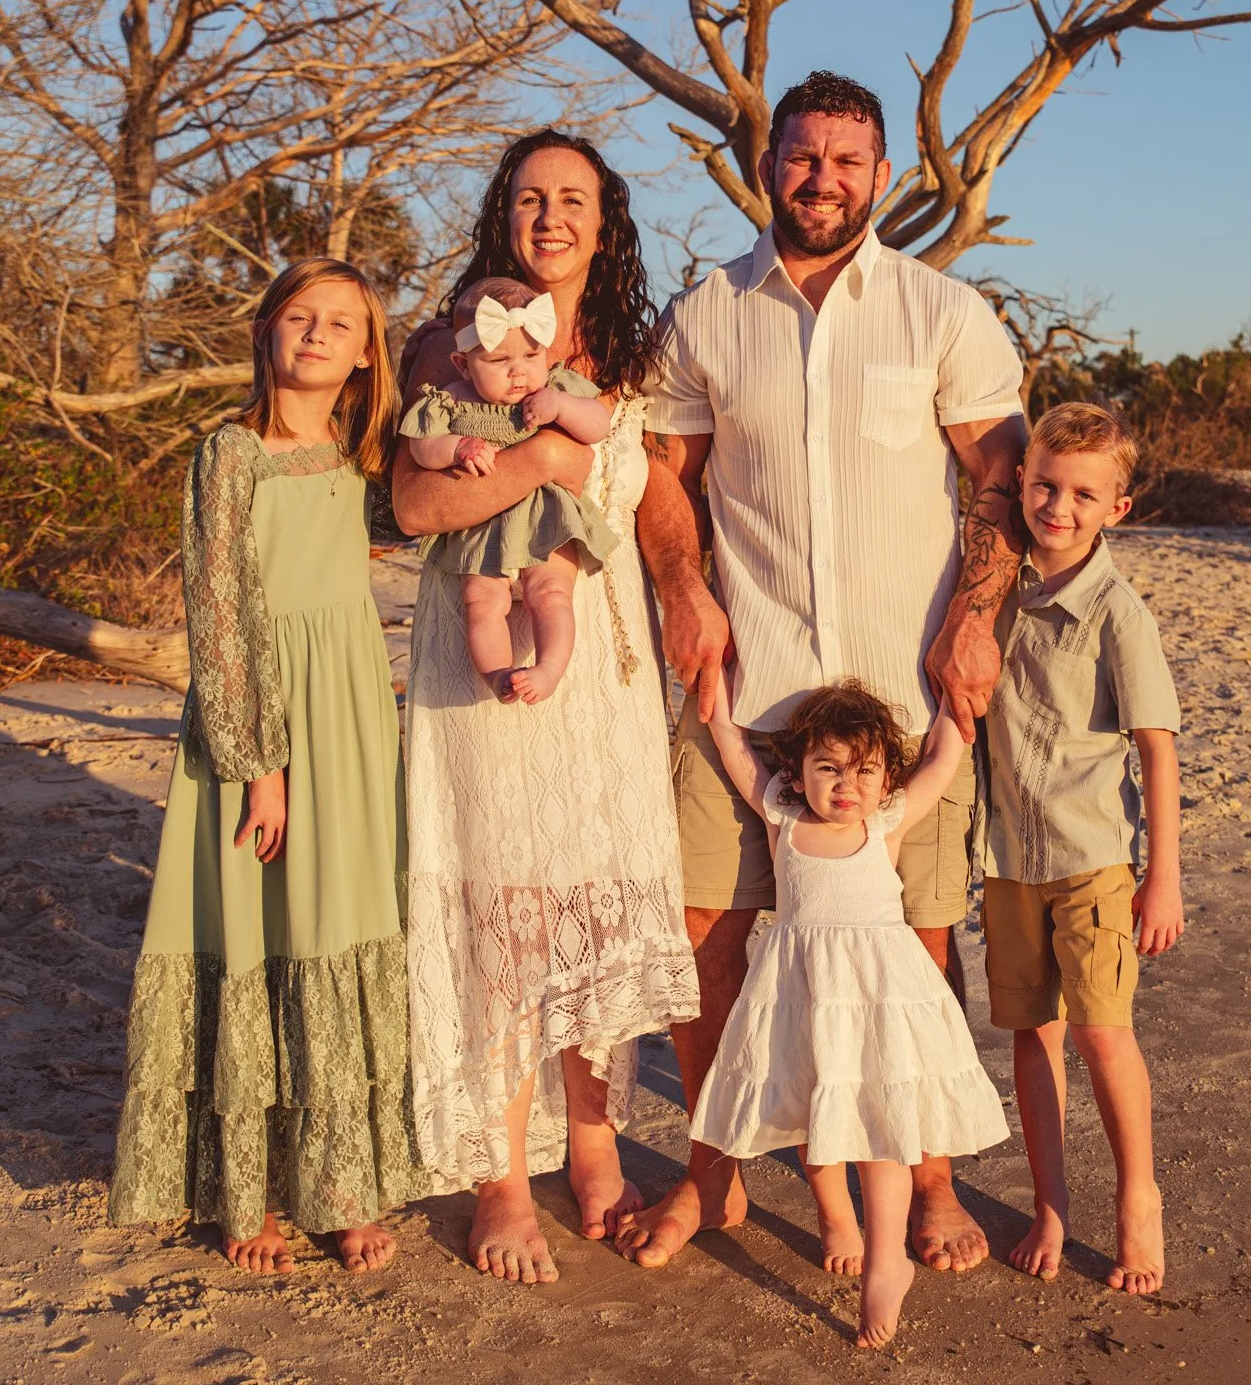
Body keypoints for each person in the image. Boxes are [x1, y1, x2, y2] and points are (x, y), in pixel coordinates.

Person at [622, 69, 1028, 1275]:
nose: (823, 180)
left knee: (917, 943)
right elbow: (661, 478)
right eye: (803, 157)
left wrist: (977, 616)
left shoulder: (942, 311)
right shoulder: (704, 316)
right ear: (769, 165)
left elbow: (997, 478)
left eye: (847, 162)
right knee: (710, 932)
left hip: (905, 694)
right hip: (747, 692)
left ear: (883, 173)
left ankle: (933, 1183)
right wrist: (685, 588)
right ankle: (715, 1178)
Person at [395, 131, 699, 1284]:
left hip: (601, 658)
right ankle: (502, 1181)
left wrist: (684, 593)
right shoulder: (443, 338)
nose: (551, 214)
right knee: (502, 906)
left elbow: (654, 491)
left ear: (606, 218)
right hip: (476, 657)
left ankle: (593, 1149)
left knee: (590, 903)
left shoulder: (631, 348)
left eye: (573, 197)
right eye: (530, 196)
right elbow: (419, 503)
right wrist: (544, 465)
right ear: (502, 214)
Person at [109, 260, 422, 1274]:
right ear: (267, 332)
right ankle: (251, 1197)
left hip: (353, 714)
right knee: (258, 921)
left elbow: (439, 510)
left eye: (342, 322)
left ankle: (341, 1190)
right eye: (301, 317)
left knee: (338, 920)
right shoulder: (231, 452)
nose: (319, 334)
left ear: (368, 349)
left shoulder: (362, 454)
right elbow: (220, 611)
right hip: (261, 719)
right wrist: (258, 765)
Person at [694, 679, 1009, 1347]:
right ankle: (835, 1215)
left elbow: (942, 760)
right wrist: (711, 687)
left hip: (876, 994)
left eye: (862, 771)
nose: (845, 785)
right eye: (827, 769)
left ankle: (887, 1257)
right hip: (803, 988)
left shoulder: (885, 820)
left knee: (884, 1118)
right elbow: (729, 743)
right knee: (818, 1104)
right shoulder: (782, 814)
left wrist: (957, 704)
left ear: (883, 777)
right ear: (797, 774)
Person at [981, 402, 1184, 1295]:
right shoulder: (994, 588)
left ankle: (1138, 1197)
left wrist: (1162, 877)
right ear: (1020, 486)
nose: (1057, 507)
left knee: (1103, 1034)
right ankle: (1050, 1203)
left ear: (1116, 509)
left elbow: (1156, 746)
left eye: (1081, 495)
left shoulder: (1114, 610)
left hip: (1096, 856)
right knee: (1034, 1034)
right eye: (1044, 486)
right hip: (1008, 860)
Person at [399, 274, 617, 703]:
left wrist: (562, 407)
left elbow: (598, 425)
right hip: (482, 519)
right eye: (499, 362)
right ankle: (497, 675)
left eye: (531, 356)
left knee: (551, 592)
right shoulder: (450, 398)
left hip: (545, 515)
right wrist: (457, 447)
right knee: (481, 601)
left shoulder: (554, 387)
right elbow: (422, 449)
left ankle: (548, 670)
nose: (519, 371)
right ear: (463, 364)